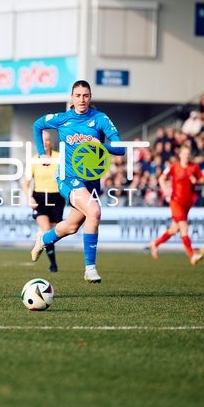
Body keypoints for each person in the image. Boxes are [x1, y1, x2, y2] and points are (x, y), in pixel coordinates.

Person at [29, 79, 126, 284]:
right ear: (72, 98)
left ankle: (44, 239)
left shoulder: (100, 119)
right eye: (78, 96)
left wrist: (100, 145)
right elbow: (37, 125)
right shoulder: (62, 119)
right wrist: (42, 154)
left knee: (72, 227)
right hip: (68, 178)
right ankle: (90, 268)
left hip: (90, 183)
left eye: (86, 95)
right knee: (95, 212)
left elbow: (120, 148)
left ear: (90, 97)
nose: (82, 99)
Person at [149, 145, 204, 266]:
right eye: (184, 154)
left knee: (174, 229)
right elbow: (161, 179)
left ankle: (155, 243)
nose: (186, 156)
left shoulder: (193, 167)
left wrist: (196, 181)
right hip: (176, 201)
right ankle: (192, 255)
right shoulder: (174, 167)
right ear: (180, 155)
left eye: (188, 154)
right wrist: (165, 190)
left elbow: (203, 180)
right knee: (184, 228)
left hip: (187, 203)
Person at [23, 129, 64, 273]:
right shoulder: (34, 160)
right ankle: (53, 265)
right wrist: (30, 197)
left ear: (51, 143)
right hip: (40, 196)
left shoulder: (60, 158)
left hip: (57, 197)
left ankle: (42, 238)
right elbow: (26, 183)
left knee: (56, 231)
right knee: (46, 229)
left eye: (48, 140)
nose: (46, 143)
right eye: (43, 140)